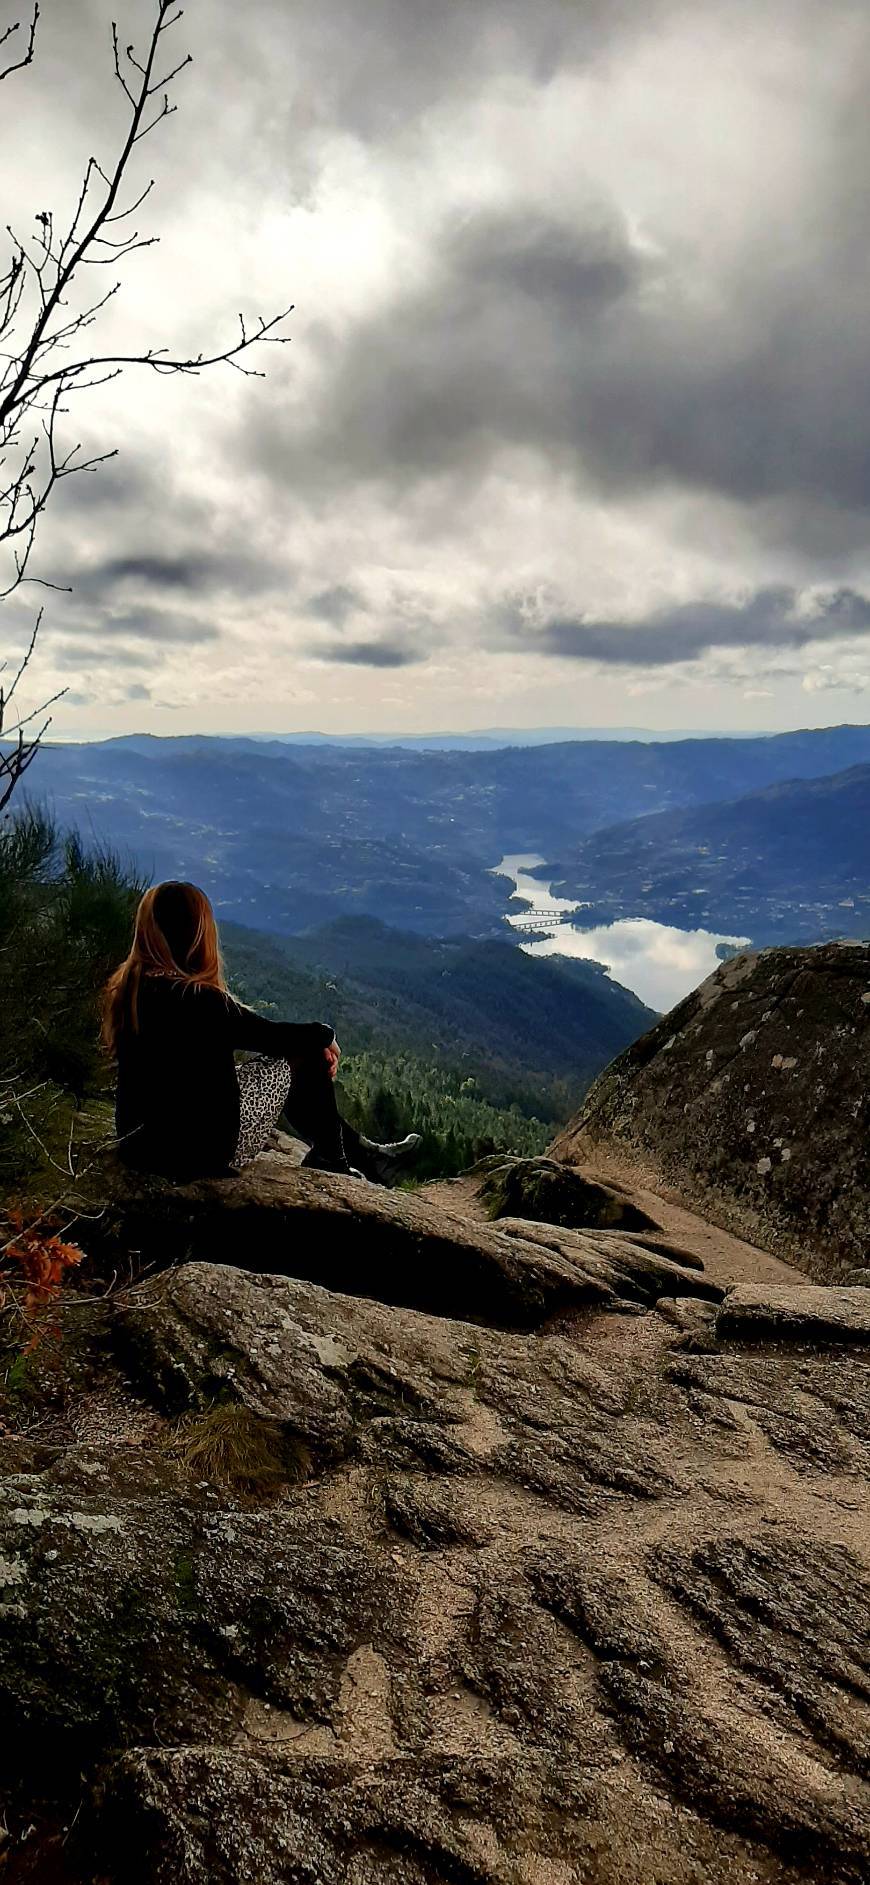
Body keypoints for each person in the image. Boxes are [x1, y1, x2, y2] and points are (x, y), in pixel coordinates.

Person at [101, 879, 419, 1183]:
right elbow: (272, 1036)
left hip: (140, 1147)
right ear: (196, 934)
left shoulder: (129, 988)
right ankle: (336, 1158)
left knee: (296, 1049)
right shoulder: (199, 999)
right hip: (200, 1152)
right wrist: (325, 1034)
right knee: (304, 1052)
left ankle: (355, 1152)